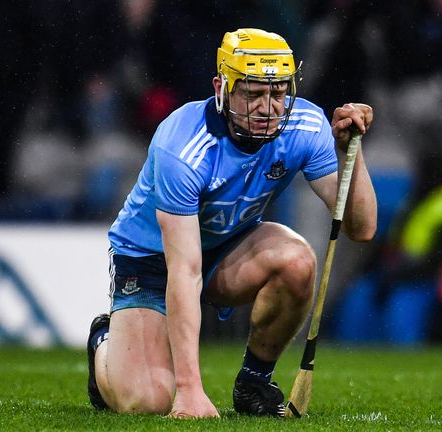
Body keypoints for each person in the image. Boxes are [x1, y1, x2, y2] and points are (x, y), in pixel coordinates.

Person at [86, 28, 377, 418]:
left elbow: (362, 228)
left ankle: (254, 382)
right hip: (152, 261)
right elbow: (184, 271)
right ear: (221, 88)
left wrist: (349, 153)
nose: (268, 107)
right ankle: (104, 339)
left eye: (278, 93)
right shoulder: (183, 147)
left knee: (297, 261)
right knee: (147, 401)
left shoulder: (305, 126)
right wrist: (189, 391)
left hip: (226, 246)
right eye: (253, 93)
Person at [333, 150, 442, 345]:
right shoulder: (420, 201)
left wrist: (392, 278)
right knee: (360, 296)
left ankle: (403, 351)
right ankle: (355, 349)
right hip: (409, 274)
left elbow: (434, 263)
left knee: (402, 304)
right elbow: (390, 244)